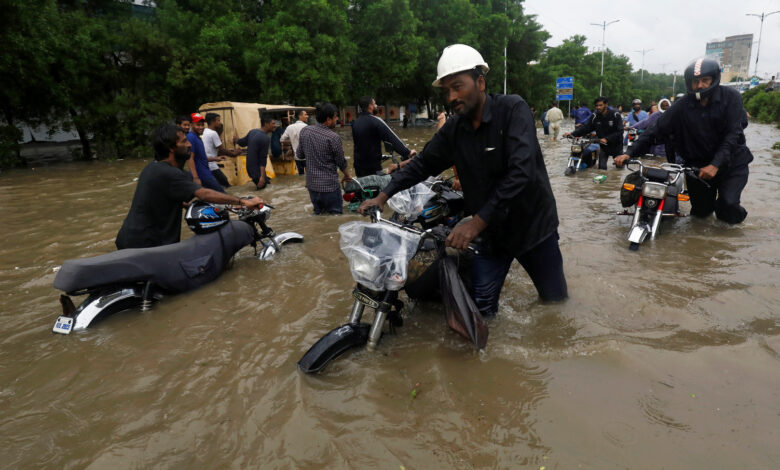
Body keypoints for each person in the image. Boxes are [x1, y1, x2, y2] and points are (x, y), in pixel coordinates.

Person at [358, 44, 567, 316]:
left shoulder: (513, 109)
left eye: (458, 86)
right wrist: (383, 196)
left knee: (555, 305)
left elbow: (521, 173)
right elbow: (423, 164)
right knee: (479, 313)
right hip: (491, 237)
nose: (452, 96)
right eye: (447, 91)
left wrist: (474, 224)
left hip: (533, 228)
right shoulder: (455, 129)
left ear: (480, 82)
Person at [615, 57, 753, 224]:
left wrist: (715, 164)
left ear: (714, 79)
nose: (700, 85)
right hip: (698, 167)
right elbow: (655, 129)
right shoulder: (682, 105)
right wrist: (629, 153)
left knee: (728, 205)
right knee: (700, 216)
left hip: (732, 163)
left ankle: (734, 232)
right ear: (690, 83)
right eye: (696, 81)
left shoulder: (731, 97)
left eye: (705, 80)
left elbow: (733, 135)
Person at [115, 124, 264, 250]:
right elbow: (203, 193)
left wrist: (225, 206)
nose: (189, 145)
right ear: (171, 148)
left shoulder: (152, 168)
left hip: (130, 239)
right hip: (146, 245)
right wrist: (243, 202)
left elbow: (179, 201)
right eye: (184, 141)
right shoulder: (169, 173)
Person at [297, 103, 352, 215]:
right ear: (328, 119)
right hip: (329, 187)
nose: (337, 119)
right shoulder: (333, 137)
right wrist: (347, 175)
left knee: (318, 215)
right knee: (335, 218)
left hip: (312, 186)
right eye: (336, 117)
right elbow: (341, 162)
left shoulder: (305, 131)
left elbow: (300, 155)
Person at [351, 96, 416, 177]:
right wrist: (408, 152)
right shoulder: (376, 121)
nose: (376, 106)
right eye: (374, 104)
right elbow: (392, 138)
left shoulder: (355, 123)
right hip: (373, 169)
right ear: (370, 106)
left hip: (358, 169)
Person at [564, 96, 624, 170]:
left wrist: (607, 139)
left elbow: (620, 131)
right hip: (604, 147)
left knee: (619, 169)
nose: (598, 107)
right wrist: (572, 134)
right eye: (596, 106)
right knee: (602, 169)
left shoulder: (615, 115)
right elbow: (586, 128)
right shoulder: (595, 116)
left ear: (606, 105)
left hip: (616, 145)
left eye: (600, 105)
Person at [186, 113, 224, 192]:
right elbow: (190, 158)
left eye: (202, 125)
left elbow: (200, 158)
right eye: (198, 125)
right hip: (203, 175)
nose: (201, 127)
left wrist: (215, 158)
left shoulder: (197, 137)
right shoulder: (191, 137)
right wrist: (195, 178)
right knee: (222, 195)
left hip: (205, 172)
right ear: (191, 125)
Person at [202, 112, 240, 188]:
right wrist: (234, 153)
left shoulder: (205, 131)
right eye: (218, 120)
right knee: (226, 184)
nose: (220, 123)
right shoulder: (213, 133)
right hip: (211, 164)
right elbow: (222, 150)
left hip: (205, 163)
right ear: (213, 122)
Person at [236, 117, 275, 190]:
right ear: (266, 124)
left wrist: (236, 140)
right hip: (257, 171)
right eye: (273, 123)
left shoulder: (252, 132)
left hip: (250, 169)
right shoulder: (265, 138)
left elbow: (242, 143)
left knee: (266, 188)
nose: (274, 125)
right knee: (264, 192)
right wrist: (262, 177)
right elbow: (263, 160)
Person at [280, 109, 309, 175]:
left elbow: (281, 139)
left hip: (297, 156)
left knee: (301, 175)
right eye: (305, 114)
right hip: (307, 156)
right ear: (300, 116)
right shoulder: (306, 127)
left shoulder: (289, 127)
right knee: (309, 176)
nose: (307, 116)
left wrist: (292, 140)